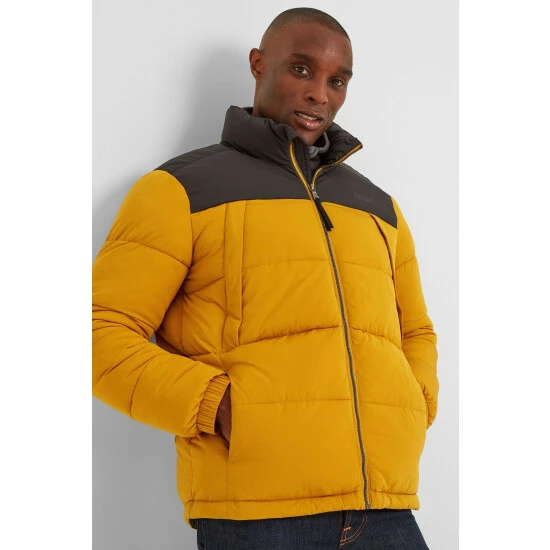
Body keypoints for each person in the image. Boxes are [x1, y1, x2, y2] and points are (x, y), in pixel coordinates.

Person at [92, 7, 439, 549]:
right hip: (259, 517)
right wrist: (218, 404)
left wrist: (412, 405)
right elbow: (99, 333)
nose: (319, 94)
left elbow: (414, 330)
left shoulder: (377, 205)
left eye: (337, 81)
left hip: (385, 508)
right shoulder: (180, 190)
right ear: (258, 64)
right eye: (302, 69)